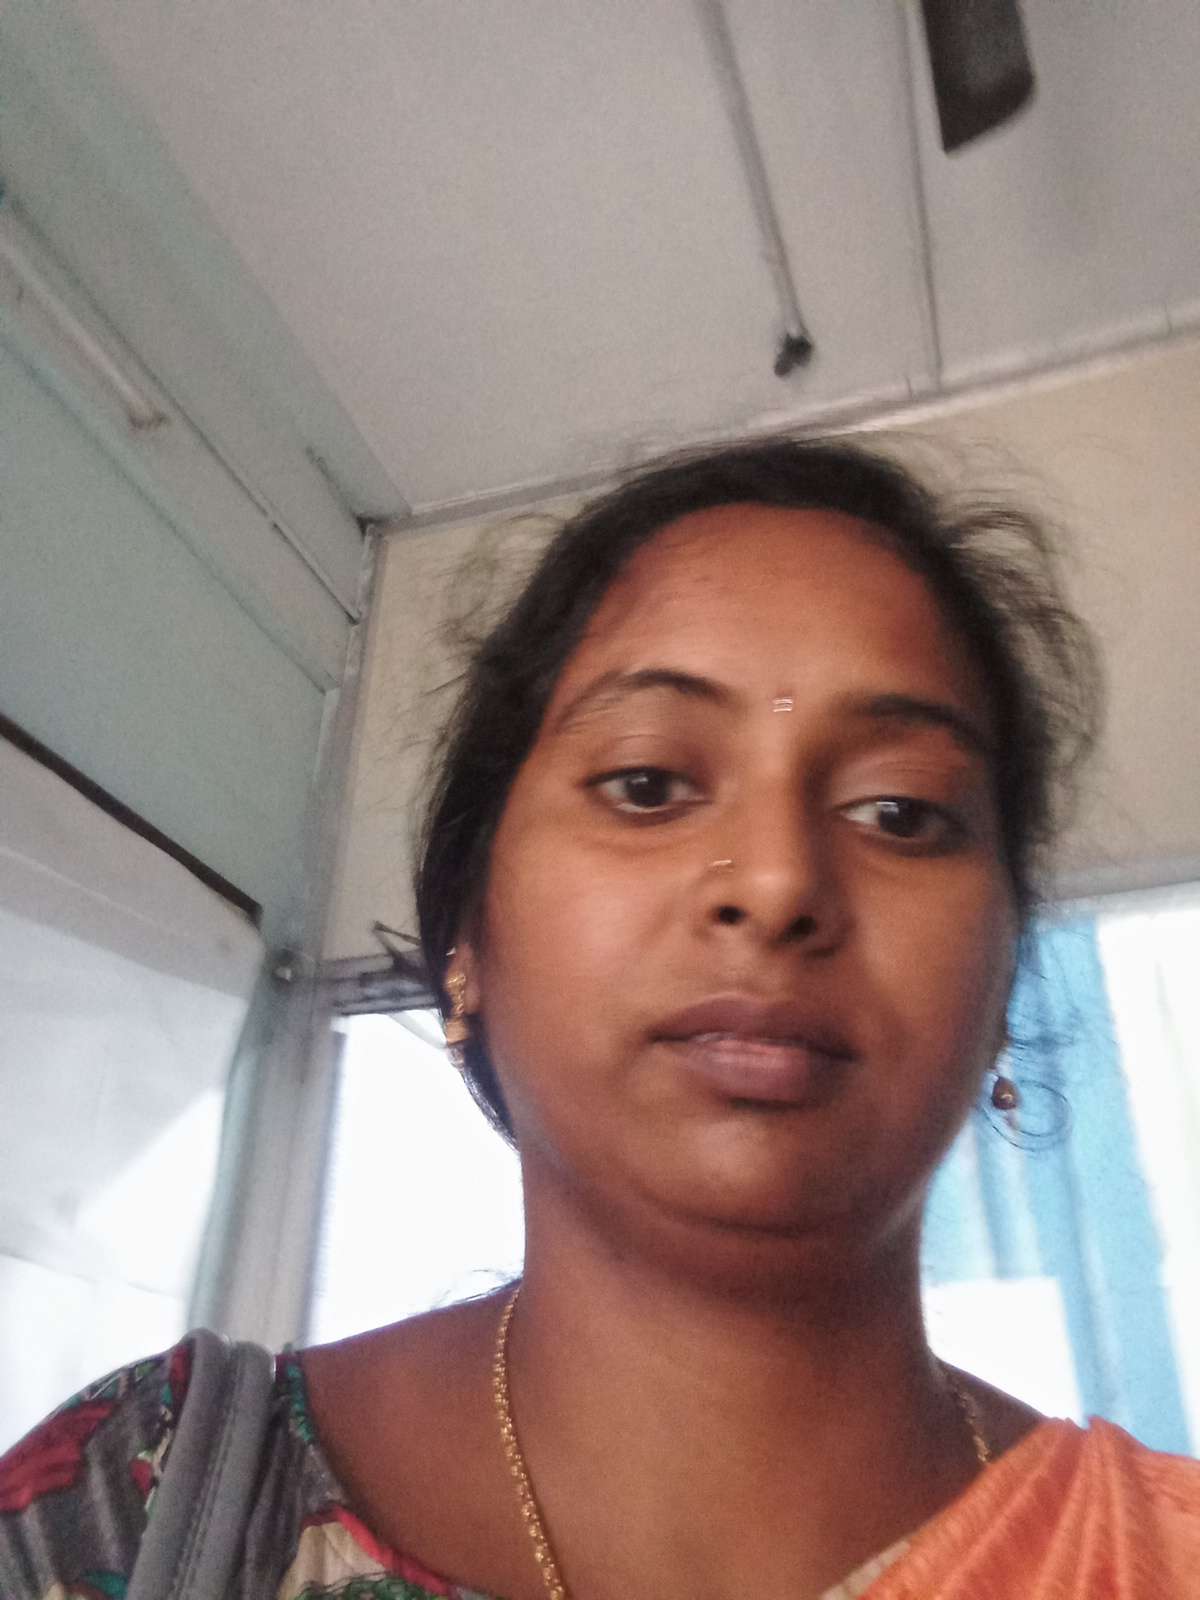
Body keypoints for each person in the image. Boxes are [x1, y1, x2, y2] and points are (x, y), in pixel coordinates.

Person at [2, 437, 1196, 1599]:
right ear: (469, 942)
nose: (777, 880)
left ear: (1003, 975)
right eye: (647, 785)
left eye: (900, 811)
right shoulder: (138, 1504)